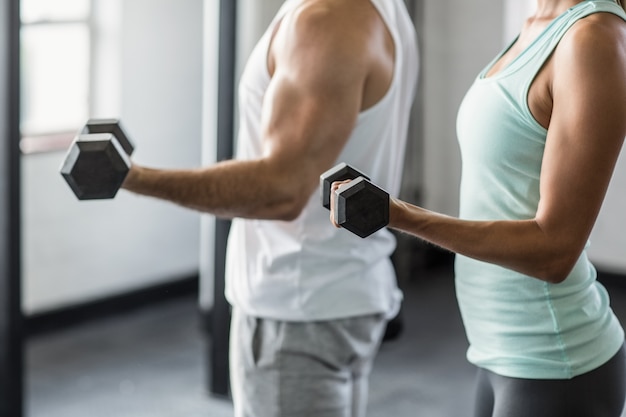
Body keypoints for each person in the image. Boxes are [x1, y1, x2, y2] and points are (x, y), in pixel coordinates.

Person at [121, 0, 419, 416]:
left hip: (297, 308)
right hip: (343, 292)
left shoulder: (326, 20)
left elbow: (282, 190)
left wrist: (133, 178)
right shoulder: (377, 9)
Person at [329, 0, 626, 416]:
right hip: (496, 351)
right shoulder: (535, 25)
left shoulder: (592, 38)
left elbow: (555, 250)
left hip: (553, 359)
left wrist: (398, 215)